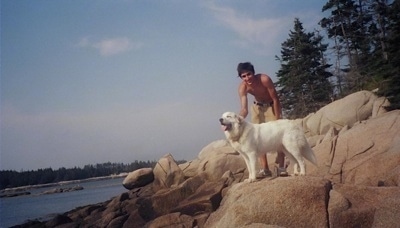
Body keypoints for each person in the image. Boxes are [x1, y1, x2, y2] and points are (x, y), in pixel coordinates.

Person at [237, 62, 287, 177]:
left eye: (248, 74)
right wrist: (238, 119)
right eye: (243, 76)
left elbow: (275, 99)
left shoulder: (264, 79)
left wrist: (277, 118)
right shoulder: (242, 87)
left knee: (279, 135)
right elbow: (244, 109)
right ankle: (265, 169)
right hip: (257, 108)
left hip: (271, 106)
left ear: (253, 73)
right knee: (257, 138)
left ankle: (281, 168)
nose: (247, 78)